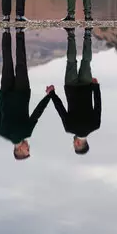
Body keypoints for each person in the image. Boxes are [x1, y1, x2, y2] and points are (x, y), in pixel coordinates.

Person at [0, 28, 55, 160]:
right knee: (7, 61)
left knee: (21, 63)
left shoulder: (26, 132)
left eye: (27, 149)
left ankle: (19, 32)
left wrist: (49, 96)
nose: (28, 147)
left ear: (20, 150)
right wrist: (1, 95)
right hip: (6, 92)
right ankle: (6, 30)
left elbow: (37, 113)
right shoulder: (2, 133)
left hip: (22, 93)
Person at [50, 27, 101, 155]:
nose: (73, 143)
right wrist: (52, 93)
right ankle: (71, 34)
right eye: (74, 145)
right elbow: (60, 109)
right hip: (71, 87)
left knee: (86, 61)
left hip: (86, 86)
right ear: (78, 144)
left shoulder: (95, 125)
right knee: (71, 61)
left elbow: (98, 105)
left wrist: (96, 87)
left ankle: (88, 33)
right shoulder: (69, 128)